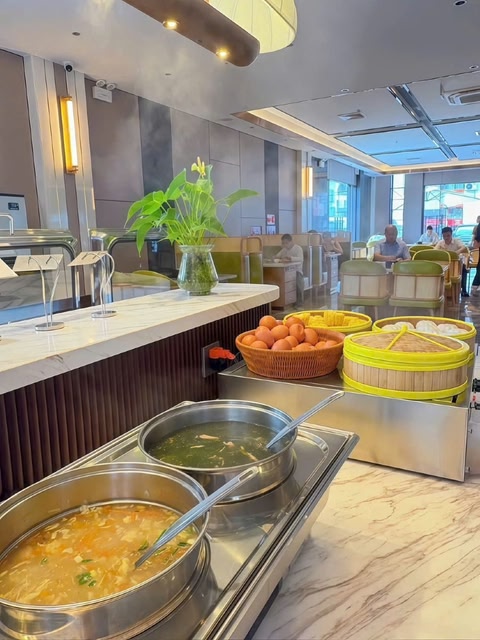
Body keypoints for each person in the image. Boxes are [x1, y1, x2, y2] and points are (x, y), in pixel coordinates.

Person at [434, 226, 470, 297]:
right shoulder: (441, 243)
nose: (446, 238)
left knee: (463, 268)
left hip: (456, 262)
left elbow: (464, 247)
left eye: (448, 235)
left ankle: (464, 290)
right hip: (445, 263)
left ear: (451, 234)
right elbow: (434, 251)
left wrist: (457, 252)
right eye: (444, 236)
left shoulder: (456, 241)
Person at [275, 233, 304, 309]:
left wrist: (290, 258)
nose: (285, 245)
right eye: (283, 243)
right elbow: (277, 256)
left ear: (291, 241)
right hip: (286, 271)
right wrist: (275, 258)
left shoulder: (298, 248)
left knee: (298, 284)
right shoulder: (284, 250)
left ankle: (299, 303)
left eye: (286, 243)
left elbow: (301, 259)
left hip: (297, 271)